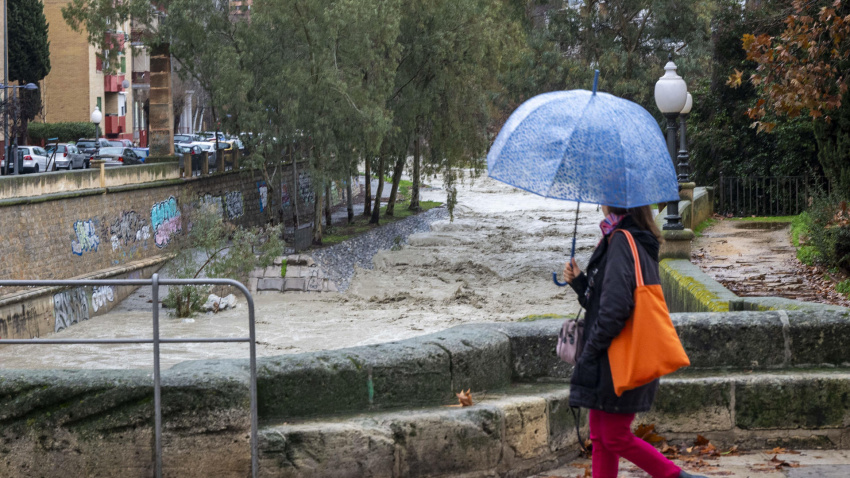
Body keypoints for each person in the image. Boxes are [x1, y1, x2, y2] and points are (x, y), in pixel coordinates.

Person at [563, 205, 705, 478]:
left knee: (613, 436)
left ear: (614, 200)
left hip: (619, 357)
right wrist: (580, 282)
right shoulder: (627, 236)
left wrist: (588, 354)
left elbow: (614, 311)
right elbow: (604, 302)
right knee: (601, 437)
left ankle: (675, 476)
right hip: (612, 355)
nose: (600, 202)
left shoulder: (621, 240)